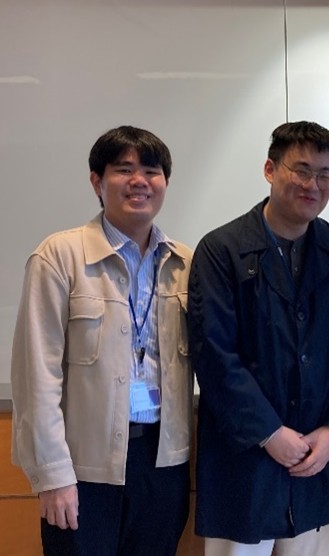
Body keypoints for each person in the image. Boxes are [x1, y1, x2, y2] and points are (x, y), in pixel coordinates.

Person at [188, 120, 329, 556]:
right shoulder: (222, 250)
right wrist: (270, 433)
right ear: (270, 169)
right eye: (302, 170)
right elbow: (214, 354)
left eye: (325, 174)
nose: (314, 185)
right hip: (246, 453)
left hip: (320, 453)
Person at [10, 126, 193, 556]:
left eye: (151, 170)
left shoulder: (184, 263)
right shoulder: (59, 256)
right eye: (123, 169)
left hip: (162, 463)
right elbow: (36, 377)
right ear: (97, 181)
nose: (139, 181)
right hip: (83, 468)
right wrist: (53, 476)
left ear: (165, 182)